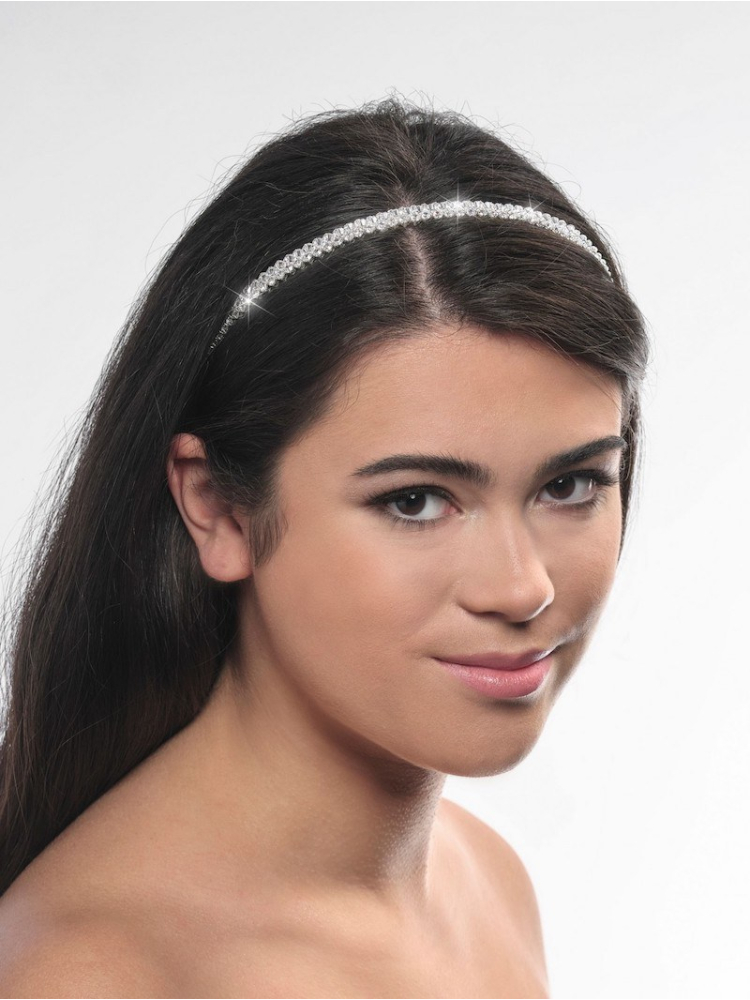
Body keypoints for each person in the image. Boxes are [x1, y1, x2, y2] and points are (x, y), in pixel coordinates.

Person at [0, 96, 649, 998]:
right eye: (416, 501)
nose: (521, 587)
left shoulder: (486, 883)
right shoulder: (93, 977)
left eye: (570, 485)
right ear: (217, 507)